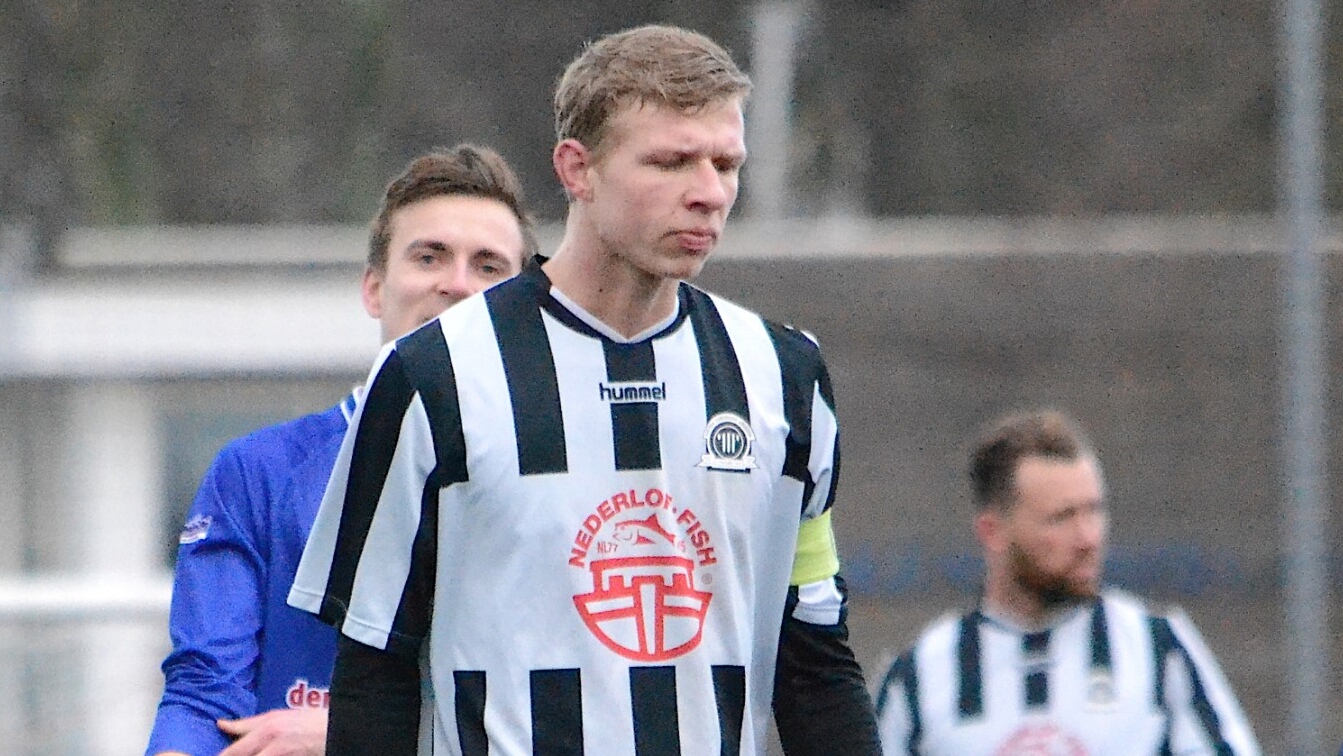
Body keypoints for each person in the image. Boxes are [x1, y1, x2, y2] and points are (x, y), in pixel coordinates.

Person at [287, 23, 882, 756]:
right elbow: (373, 668)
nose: (707, 194)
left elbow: (815, 658)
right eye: (669, 162)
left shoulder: (785, 376)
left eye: (725, 164)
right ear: (577, 170)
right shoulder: (430, 374)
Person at [146, 144, 536, 756]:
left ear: (523, 308)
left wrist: (348, 737)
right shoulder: (259, 473)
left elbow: (564, 713)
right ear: (374, 289)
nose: (457, 284)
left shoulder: (559, 479)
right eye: (429, 256)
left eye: (488, 266)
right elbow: (203, 694)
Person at [874, 409, 1261, 755]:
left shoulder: (1159, 649)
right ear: (993, 532)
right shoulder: (919, 678)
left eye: (1094, 511)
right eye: (1061, 518)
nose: (1088, 538)